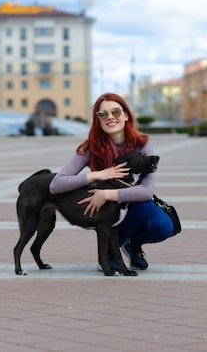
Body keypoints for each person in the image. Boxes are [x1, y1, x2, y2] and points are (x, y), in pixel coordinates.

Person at [49, 93, 173, 271]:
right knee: (138, 207)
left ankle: (131, 245)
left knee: (161, 225)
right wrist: (98, 175)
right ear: (97, 119)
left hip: (132, 205)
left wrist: (106, 194)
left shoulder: (142, 144)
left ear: (126, 115)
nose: (110, 117)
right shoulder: (90, 148)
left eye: (115, 111)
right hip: (108, 212)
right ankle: (108, 255)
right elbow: (56, 185)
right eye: (103, 114)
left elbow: (146, 191)